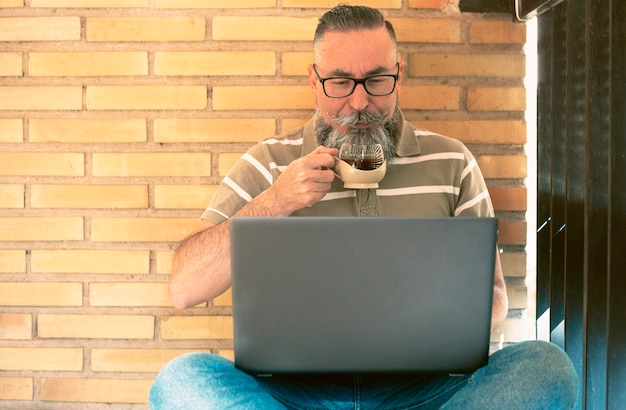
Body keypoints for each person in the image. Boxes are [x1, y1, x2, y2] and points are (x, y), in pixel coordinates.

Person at [150, 5, 578, 409]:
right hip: (292, 393)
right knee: (182, 378)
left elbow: (495, 296)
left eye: (376, 80)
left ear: (399, 75)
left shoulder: (452, 163)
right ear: (314, 81)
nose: (358, 103)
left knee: (545, 366)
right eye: (339, 82)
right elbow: (185, 287)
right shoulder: (269, 164)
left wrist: (431, 336)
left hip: (422, 388)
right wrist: (275, 200)